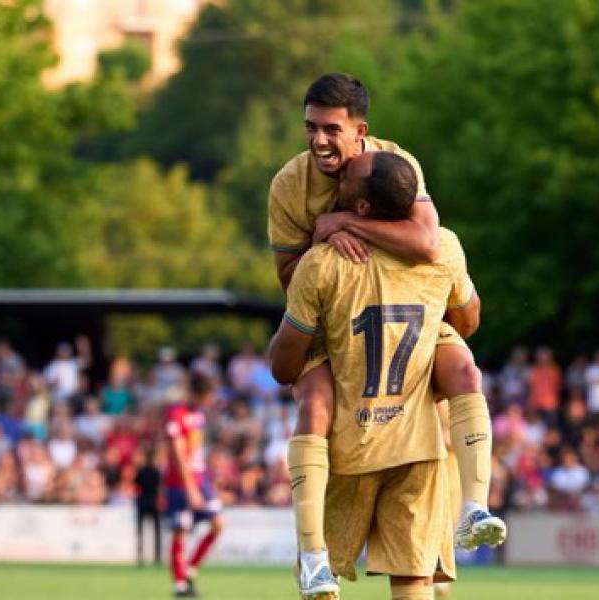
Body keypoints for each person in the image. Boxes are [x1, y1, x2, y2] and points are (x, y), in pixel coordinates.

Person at [268, 73, 502, 599]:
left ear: (361, 132)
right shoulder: (289, 184)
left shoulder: (397, 162)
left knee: (465, 370)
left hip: (406, 311)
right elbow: (289, 277)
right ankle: (313, 557)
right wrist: (331, 247)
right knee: (317, 402)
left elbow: (424, 239)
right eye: (310, 127)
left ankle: (476, 505)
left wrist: (344, 225)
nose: (318, 140)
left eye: (330, 129)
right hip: (333, 320)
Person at [164, 374, 224, 598]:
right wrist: (190, 488)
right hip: (180, 482)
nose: (211, 400)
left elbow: (195, 450)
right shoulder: (176, 414)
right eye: (209, 396)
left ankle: (189, 568)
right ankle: (179, 584)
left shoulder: (198, 415)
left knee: (218, 523)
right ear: (198, 394)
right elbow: (178, 454)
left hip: (201, 479)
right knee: (181, 529)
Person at [134, 446, 162, 567]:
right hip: (153, 501)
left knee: (141, 531)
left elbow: (136, 484)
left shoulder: (141, 471)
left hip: (143, 502)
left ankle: (141, 556)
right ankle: (157, 557)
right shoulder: (157, 471)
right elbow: (161, 486)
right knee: (156, 532)